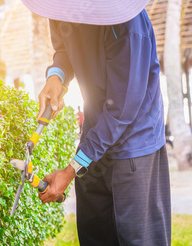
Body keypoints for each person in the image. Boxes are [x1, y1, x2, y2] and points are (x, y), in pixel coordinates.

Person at [20, 0, 171, 245]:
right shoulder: (62, 7)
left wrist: (71, 171)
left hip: (134, 145)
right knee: (94, 235)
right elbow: (64, 50)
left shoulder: (129, 26)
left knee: (137, 239)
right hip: (95, 138)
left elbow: (121, 111)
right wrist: (56, 76)